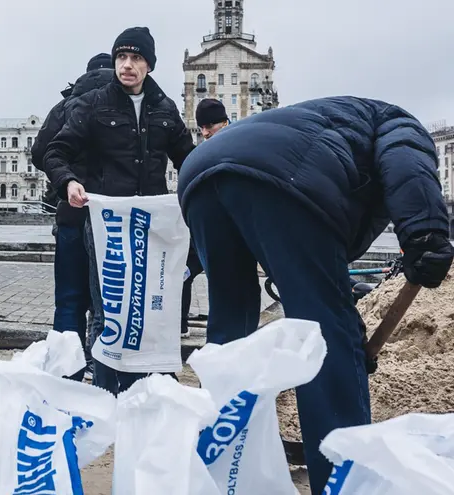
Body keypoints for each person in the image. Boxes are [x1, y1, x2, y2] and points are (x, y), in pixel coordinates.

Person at [177, 96, 454, 494]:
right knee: (325, 337)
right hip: (280, 179)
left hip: (200, 176)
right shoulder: (397, 121)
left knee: (230, 335)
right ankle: (342, 480)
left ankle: (221, 472)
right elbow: (406, 161)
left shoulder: (324, 127)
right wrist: (425, 231)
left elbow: (314, 272)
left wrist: (347, 318)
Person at [45, 27, 195, 395]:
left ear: (149, 64)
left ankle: (150, 380)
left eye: (136, 58)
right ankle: (107, 388)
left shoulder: (165, 108)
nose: (127, 65)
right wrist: (68, 182)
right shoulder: (94, 104)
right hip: (106, 225)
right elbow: (54, 151)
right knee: (107, 307)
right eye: (121, 58)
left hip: (149, 226)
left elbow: (189, 160)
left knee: (147, 306)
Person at [31, 52, 114, 382]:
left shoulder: (65, 106)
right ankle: (108, 375)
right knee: (110, 301)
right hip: (113, 218)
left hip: (71, 214)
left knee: (68, 301)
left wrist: (65, 176)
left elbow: (40, 153)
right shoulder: (127, 105)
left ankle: (66, 377)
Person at [181, 98, 231, 335]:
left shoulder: (236, 147)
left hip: (230, 233)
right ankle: (182, 325)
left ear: (225, 122)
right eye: (202, 127)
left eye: (211, 125)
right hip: (203, 234)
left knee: (227, 285)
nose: (206, 132)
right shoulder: (201, 153)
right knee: (185, 274)